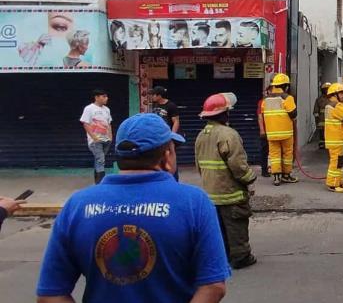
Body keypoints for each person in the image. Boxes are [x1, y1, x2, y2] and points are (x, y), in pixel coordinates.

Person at [36, 113, 229, 303]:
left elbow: (50, 295)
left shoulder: (77, 205)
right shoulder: (194, 202)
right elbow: (214, 287)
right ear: (167, 156)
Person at [195, 92, 258, 269]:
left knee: (219, 227)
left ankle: (223, 256)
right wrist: (250, 179)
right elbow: (238, 166)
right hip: (231, 192)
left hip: (211, 193)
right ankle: (241, 257)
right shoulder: (228, 134)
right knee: (236, 225)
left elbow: (199, 165)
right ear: (224, 114)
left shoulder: (201, 135)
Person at [260, 73, 299, 186]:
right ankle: (286, 175)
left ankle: (276, 177)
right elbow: (293, 114)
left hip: (271, 133)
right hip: (286, 133)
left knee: (274, 154)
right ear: (285, 86)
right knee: (287, 154)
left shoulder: (265, 100)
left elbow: (263, 115)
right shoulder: (287, 98)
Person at [80, 89, 112, 184]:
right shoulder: (89, 108)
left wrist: (110, 136)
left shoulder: (107, 109)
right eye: (103, 96)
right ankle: (101, 183)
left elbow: (109, 123)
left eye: (106, 96)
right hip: (96, 140)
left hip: (106, 139)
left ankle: (97, 182)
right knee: (100, 160)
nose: (106, 98)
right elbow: (85, 123)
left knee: (99, 160)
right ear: (96, 97)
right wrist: (94, 137)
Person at [150, 86, 182, 180]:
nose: (152, 96)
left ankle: (174, 179)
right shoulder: (155, 105)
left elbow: (176, 121)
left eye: (153, 95)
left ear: (159, 95)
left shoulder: (171, 105)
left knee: (170, 157)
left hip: (168, 136)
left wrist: (172, 135)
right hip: (158, 137)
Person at [256, 86, 271, 177]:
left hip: (275, 130)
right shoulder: (262, 102)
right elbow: (260, 116)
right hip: (266, 131)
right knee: (265, 150)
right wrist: (262, 130)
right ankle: (264, 170)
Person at [313, 82, 331, 150]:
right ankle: (322, 144)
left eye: (328, 89)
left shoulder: (333, 99)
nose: (327, 90)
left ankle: (329, 144)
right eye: (325, 89)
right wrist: (317, 121)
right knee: (321, 133)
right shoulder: (319, 99)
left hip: (330, 120)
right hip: (321, 120)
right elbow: (316, 111)